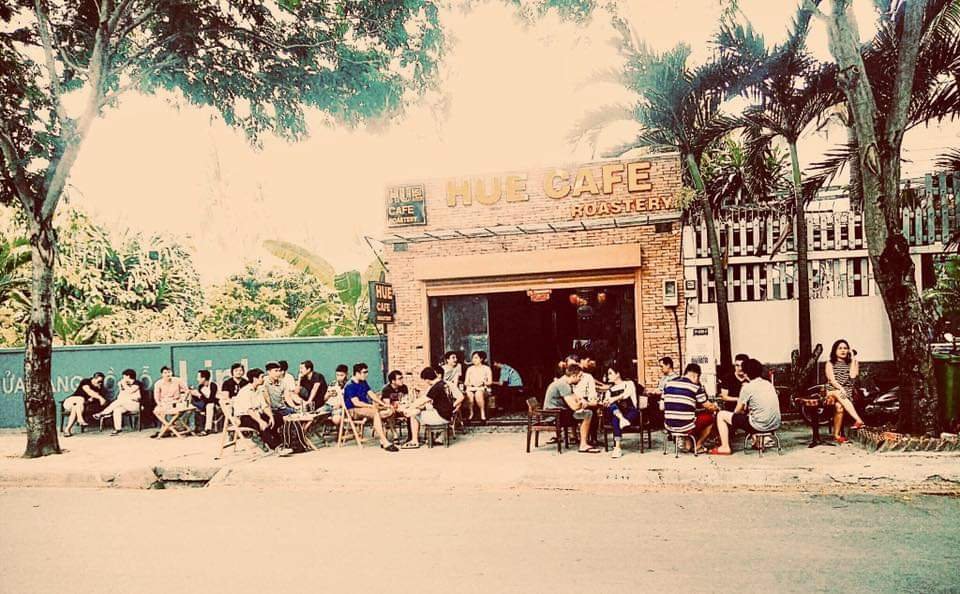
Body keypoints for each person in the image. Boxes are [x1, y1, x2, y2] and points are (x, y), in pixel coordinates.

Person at [712, 358, 782, 455]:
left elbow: (737, 410)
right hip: (775, 424)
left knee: (721, 415)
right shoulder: (768, 384)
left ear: (746, 373)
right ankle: (758, 442)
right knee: (753, 414)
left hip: (758, 426)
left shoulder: (747, 387)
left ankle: (725, 447)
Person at [230, 368, 291, 456]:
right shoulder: (245, 391)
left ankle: (280, 443)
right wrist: (261, 421)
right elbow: (249, 410)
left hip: (256, 413)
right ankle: (276, 447)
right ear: (255, 379)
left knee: (277, 418)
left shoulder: (258, 390)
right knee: (260, 424)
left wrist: (271, 417)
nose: (263, 379)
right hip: (244, 417)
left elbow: (264, 406)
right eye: (261, 377)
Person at [543, 363, 599, 453]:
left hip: (558, 412)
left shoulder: (566, 383)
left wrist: (583, 401)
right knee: (588, 414)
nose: (581, 379)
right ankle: (583, 445)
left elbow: (576, 397)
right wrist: (584, 404)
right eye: (580, 376)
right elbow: (574, 406)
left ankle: (585, 441)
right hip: (554, 416)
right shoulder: (563, 385)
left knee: (587, 411)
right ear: (573, 375)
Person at [343, 363, 399, 452]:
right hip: (353, 410)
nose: (366, 374)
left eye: (367, 372)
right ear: (357, 373)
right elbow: (356, 403)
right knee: (375, 412)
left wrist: (383, 404)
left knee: (389, 410)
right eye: (364, 372)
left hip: (365, 408)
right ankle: (385, 442)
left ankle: (388, 436)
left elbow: (371, 394)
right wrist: (372, 406)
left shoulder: (363, 382)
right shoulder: (350, 385)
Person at [663, 363, 718, 452]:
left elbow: (662, 407)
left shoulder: (668, 384)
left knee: (690, 417)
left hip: (669, 425)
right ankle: (698, 445)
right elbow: (709, 407)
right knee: (710, 418)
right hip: (686, 425)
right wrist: (716, 407)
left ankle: (686, 441)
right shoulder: (695, 387)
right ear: (696, 376)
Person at [400, 366, 454, 449]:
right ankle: (416, 439)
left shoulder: (436, 387)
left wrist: (409, 408)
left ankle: (414, 441)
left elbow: (423, 400)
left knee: (413, 414)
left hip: (442, 416)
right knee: (417, 410)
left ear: (427, 379)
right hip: (447, 415)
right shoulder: (443, 384)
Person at [825, 339, 866, 442]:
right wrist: (841, 388)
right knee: (839, 393)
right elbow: (832, 380)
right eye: (840, 348)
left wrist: (852, 360)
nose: (843, 350)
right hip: (832, 390)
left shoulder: (853, 362)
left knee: (839, 407)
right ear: (835, 350)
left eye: (845, 348)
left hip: (846, 391)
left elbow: (852, 376)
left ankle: (836, 435)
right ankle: (858, 420)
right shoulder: (830, 363)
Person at [603, 362, 644, 459]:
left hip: (631, 412)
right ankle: (617, 447)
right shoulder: (609, 390)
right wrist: (606, 402)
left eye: (610, 373)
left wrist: (613, 399)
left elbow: (626, 394)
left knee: (615, 418)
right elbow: (607, 401)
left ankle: (617, 448)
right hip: (618, 414)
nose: (608, 376)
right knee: (615, 415)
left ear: (618, 374)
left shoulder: (629, 384)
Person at [92, 370, 139, 435]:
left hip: (136, 405)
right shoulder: (125, 385)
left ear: (128, 376)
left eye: (124, 377)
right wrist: (121, 387)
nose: (123, 378)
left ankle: (102, 413)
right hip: (126, 405)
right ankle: (118, 429)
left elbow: (129, 391)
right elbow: (121, 397)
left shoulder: (137, 384)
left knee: (120, 401)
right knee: (117, 409)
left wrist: (123, 384)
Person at [61, 372, 108, 437]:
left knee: (76, 407)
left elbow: (93, 401)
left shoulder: (98, 388)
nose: (100, 383)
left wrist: (95, 396)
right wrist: (100, 398)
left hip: (78, 406)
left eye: (102, 381)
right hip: (69, 402)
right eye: (99, 381)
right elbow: (88, 391)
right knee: (80, 399)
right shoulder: (86, 381)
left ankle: (67, 430)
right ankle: (80, 419)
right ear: (94, 378)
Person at [151, 366, 187, 437]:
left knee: (185, 410)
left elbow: (187, 390)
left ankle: (177, 428)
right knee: (158, 411)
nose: (168, 374)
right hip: (164, 403)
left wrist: (182, 399)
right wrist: (159, 404)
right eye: (165, 372)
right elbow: (156, 397)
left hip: (176, 402)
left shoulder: (178, 380)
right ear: (162, 374)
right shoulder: (158, 383)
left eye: (169, 372)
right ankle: (166, 429)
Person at [464, 350, 493, 423]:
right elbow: (466, 382)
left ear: (481, 359)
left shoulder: (486, 368)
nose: (474, 360)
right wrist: (471, 384)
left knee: (478, 393)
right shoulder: (470, 369)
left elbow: (490, 382)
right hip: (472, 387)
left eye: (476, 358)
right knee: (469, 394)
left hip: (483, 388)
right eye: (473, 358)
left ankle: (482, 415)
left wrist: (484, 382)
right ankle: (471, 414)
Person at [188, 370, 219, 436]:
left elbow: (211, 399)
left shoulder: (213, 385)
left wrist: (199, 395)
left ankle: (207, 429)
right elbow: (204, 400)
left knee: (210, 405)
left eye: (198, 377)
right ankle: (194, 428)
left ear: (204, 378)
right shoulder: (200, 387)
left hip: (217, 405)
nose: (197, 379)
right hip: (205, 405)